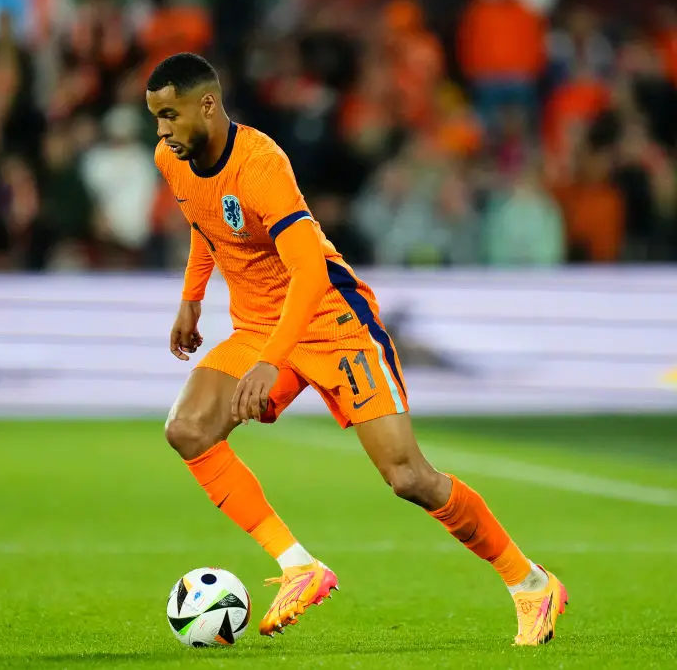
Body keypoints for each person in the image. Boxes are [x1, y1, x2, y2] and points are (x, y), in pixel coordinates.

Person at [146, 52, 568, 645]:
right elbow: (204, 221)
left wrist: (269, 362)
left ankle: (530, 583)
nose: (161, 130)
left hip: (334, 321)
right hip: (261, 326)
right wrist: (191, 299)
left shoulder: (261, 164)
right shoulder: (172, 159)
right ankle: (298, 566)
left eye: (170, 115)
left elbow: (309, 273)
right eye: (156, 117)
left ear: (207, 105)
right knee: (188, 428)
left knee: (408, 476)